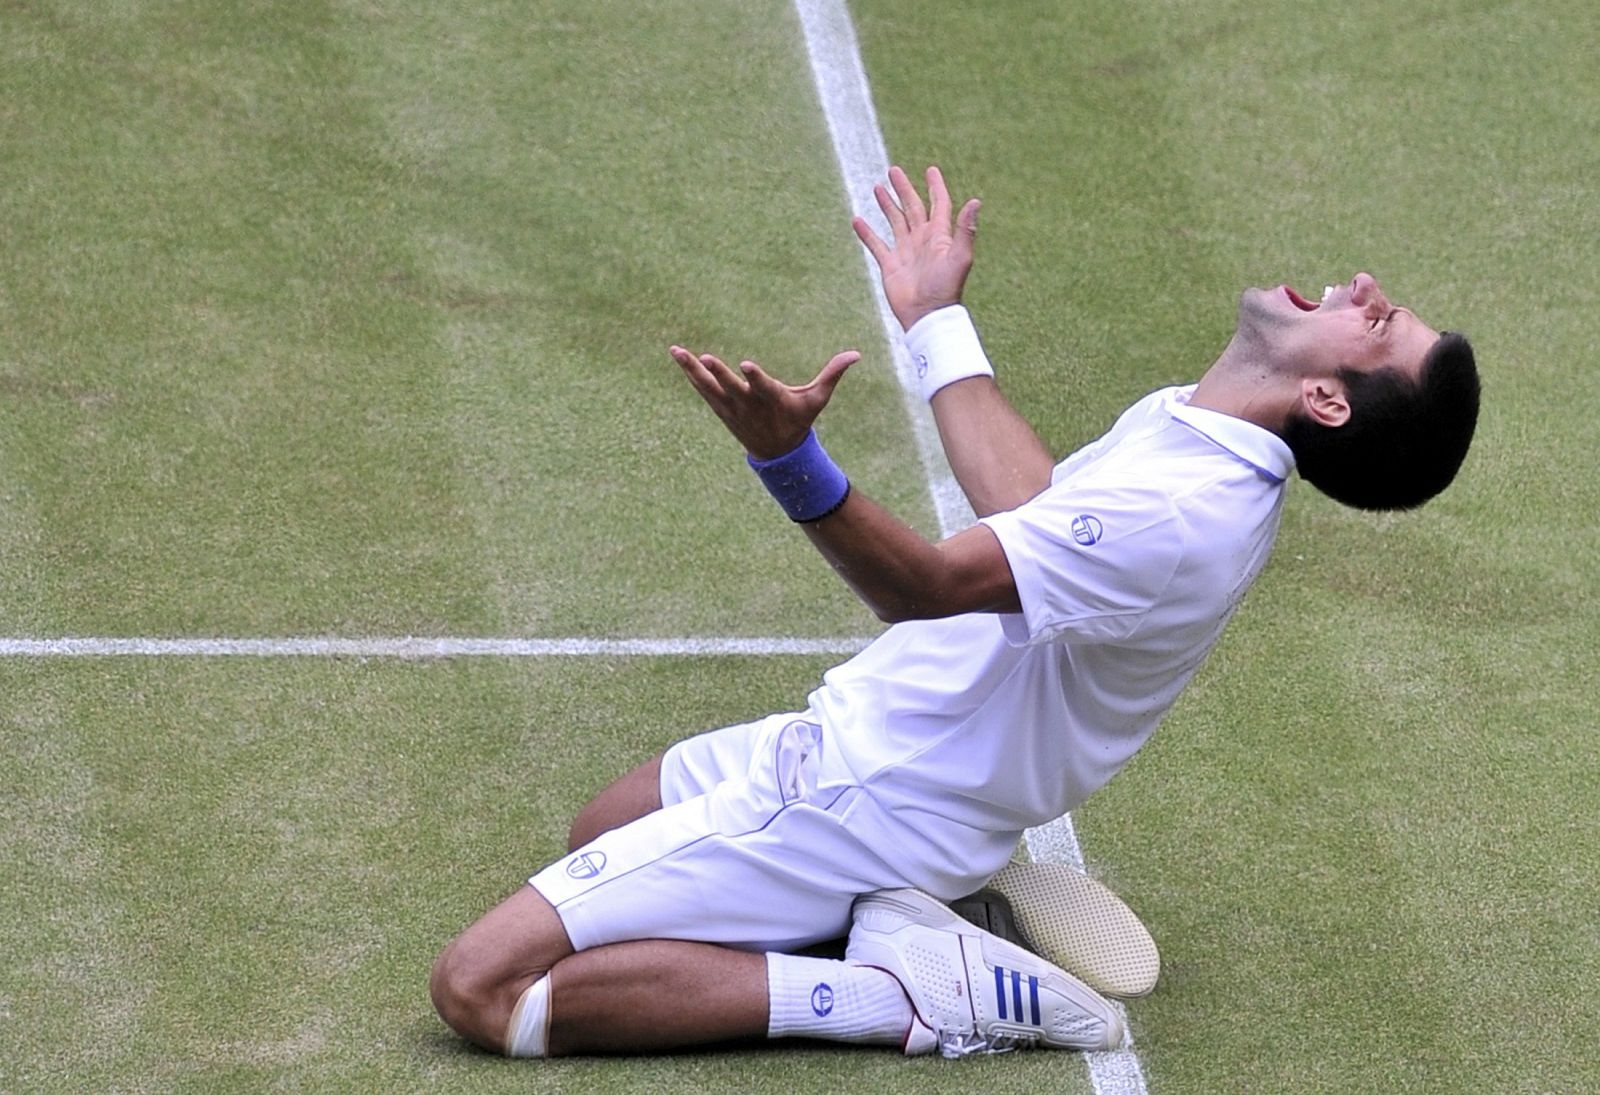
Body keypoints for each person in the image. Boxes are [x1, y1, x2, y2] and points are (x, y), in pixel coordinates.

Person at [428, 166, 1481, 1060]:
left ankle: (898, 996)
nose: (1366, 290)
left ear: (1328, 401)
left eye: (1378, 323)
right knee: (602, 828)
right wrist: (936, 319)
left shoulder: (1179, 510)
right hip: (892, 768)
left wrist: (791, 461)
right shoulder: (1205, 439)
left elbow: (922, 587)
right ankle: (915, 911)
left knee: (485, 987)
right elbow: (1032, 507)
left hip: (865, 792)